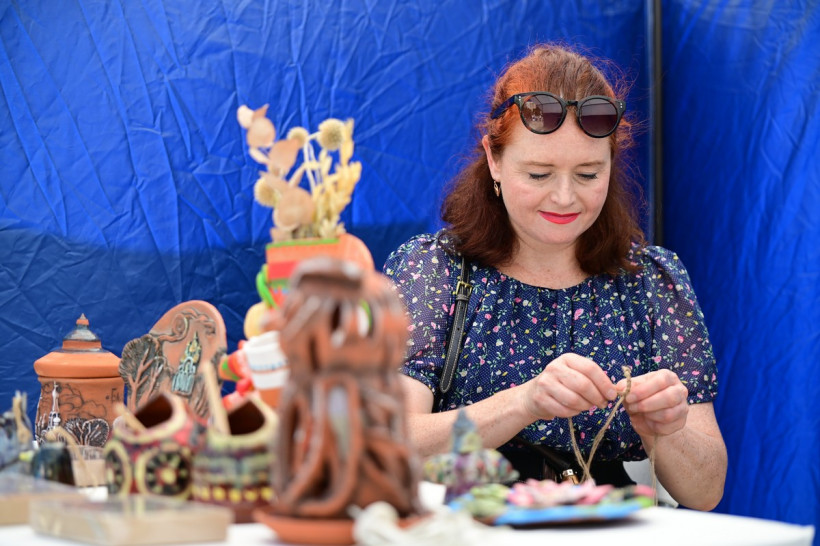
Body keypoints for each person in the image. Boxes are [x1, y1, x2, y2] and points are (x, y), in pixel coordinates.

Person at [383, 43, 727, 511]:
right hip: (473, 525)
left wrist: (665, 432)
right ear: (494, 160)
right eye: (539, 174)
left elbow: (706, 492)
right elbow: (388, 444)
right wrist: (522, 404)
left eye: (588, 174)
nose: (564, 197)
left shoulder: (650, 280)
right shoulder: (435, 271)